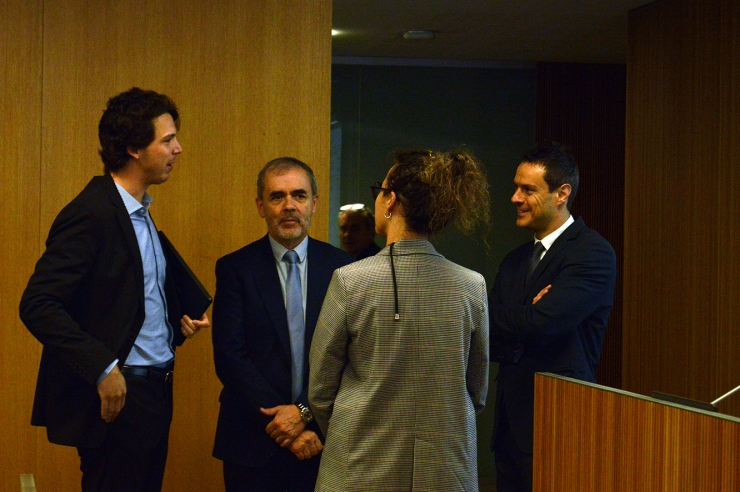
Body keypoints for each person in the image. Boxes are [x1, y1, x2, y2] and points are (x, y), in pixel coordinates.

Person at [18, 87, 211, 492]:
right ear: (134, 149)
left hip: (156, 392)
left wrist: (175, 323)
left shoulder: (140, 214)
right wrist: (103, 367)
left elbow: (126, 299)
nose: (179, 148)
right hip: (121, 399)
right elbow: (38, 303)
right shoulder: (91, 214)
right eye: (168, 139)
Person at [309, 150, 491, 492]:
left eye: (379, 189)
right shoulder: (472, 285)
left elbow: (320, 390)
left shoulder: (349, 281)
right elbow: (475, 392)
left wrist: (353, 433)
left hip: (359, 467)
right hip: (444, 469)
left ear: (390, 200)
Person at [211, 157, 352, 492]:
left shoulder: (344, 269)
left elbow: (350, 355)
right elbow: (230, 357)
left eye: (299, 196)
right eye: (277, 197)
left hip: (321, 441)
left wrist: (304, 414)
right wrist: (282, 424)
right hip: (252, 441)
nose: (289, 206)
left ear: (314, 203)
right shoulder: (235, 269)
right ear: (261, 206)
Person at [489, 142, 617, 492]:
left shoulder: (592, 252)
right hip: (509, 430)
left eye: (528, 189)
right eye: (516, 187)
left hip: (560, 422)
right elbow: (490, 333)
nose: (515, 197)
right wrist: (526, 314)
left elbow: (544, 324)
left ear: (562, 194)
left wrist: (525, 316)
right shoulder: (515, 260)